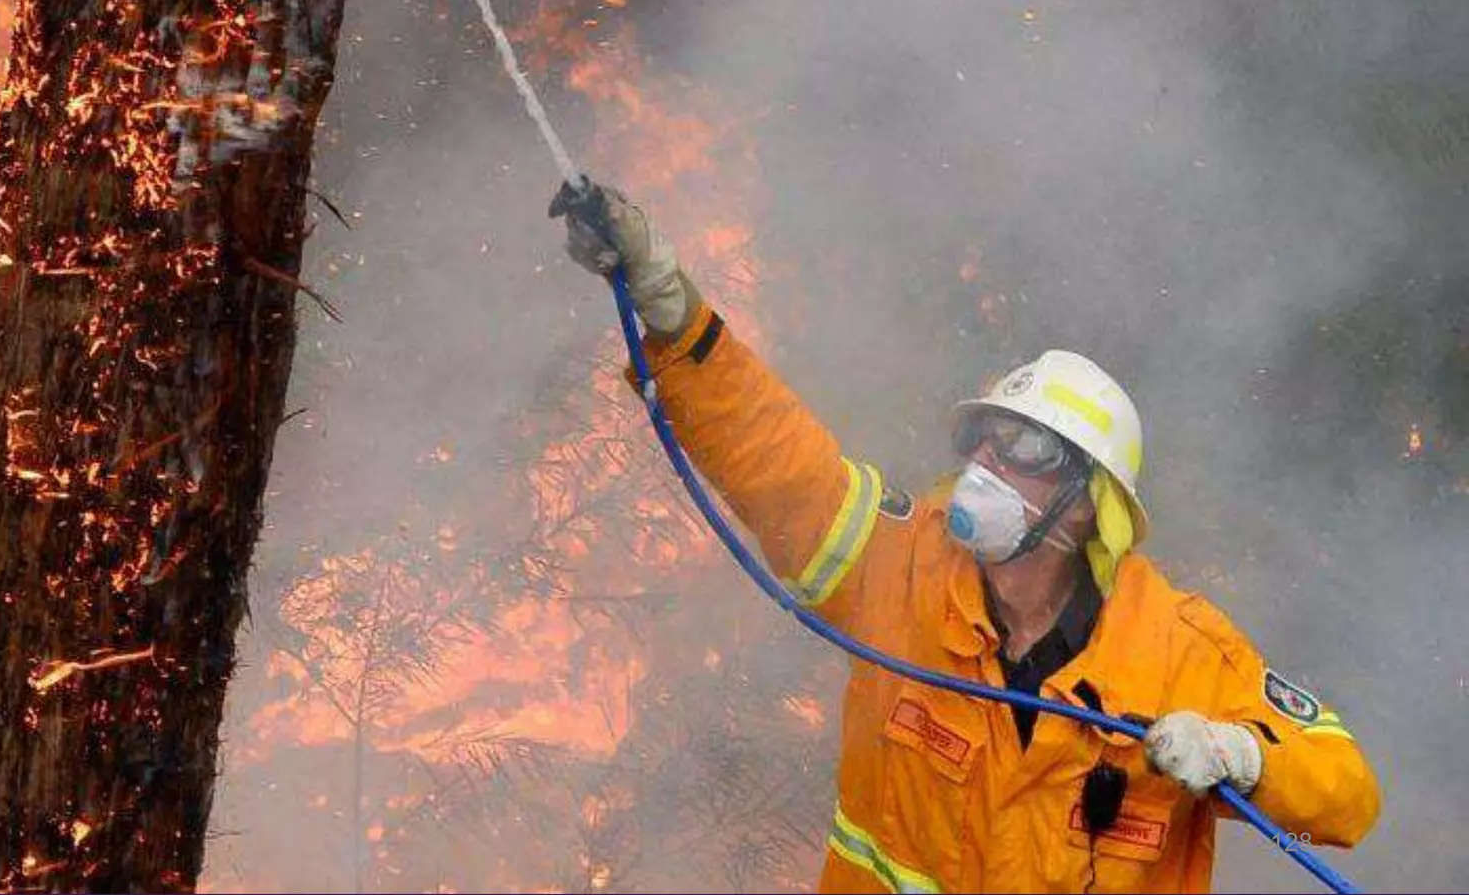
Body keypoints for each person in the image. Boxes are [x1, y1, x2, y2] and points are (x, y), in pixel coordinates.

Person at [553, 181, 1381, 893]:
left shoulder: (1177, 651)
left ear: (1089, 504)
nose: (986, 460)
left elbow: (1348, 795)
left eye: (1024, 449)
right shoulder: (900, 573)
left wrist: (1242, 754)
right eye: (982, 437)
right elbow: (779, 463)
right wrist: (671, 311)